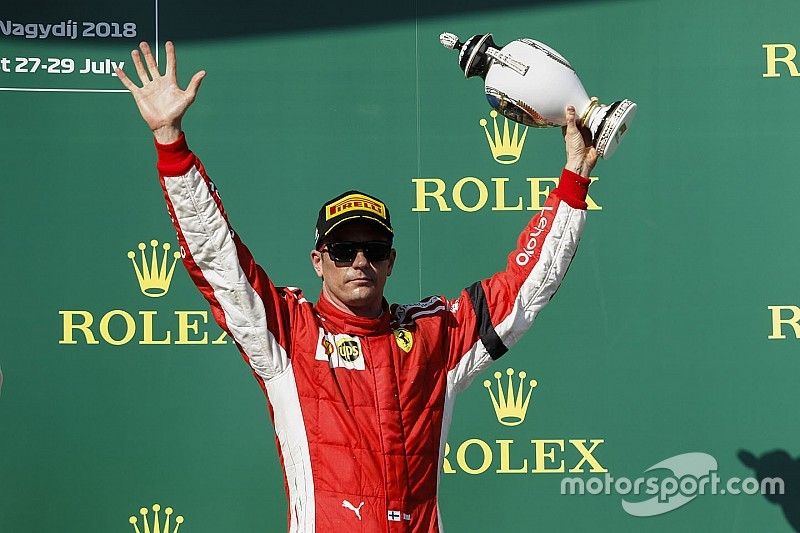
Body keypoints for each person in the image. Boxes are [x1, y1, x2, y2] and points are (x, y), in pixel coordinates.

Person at [117, 41, 598, 533]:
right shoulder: (288, 333)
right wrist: (170, 140)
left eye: (374, 249)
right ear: (318, 261)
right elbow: (218, 261)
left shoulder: (437, 338)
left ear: (391, 262)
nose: (360, 261)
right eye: (344, 250)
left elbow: (523, 288)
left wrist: (575, 177)